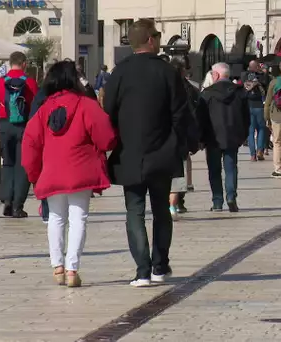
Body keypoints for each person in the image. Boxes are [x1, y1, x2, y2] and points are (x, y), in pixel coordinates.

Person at [104, 19, 188, 287]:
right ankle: (160, 267)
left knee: (134, 211)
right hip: (162, 153)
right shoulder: (167, 72)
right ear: (150, 40)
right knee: (161, 210)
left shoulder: (119, 73)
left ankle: (142, 271)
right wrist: (182, 145)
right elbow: (180, 113)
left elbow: (108, 113)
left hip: (130, 153)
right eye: (158, 35)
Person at [22, 60, 117, 288]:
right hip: (81, 171)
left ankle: (57, 267)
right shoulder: (86, 105)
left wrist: (35, 175)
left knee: (55, 218)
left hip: (51, 172)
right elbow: (107, 137)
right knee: (78, 218)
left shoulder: (43, 109)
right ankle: (72, 268)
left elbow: (30, 144)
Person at [0, 51, 39, 218]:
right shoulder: (31, 83)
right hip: (25, 127)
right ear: (24, 63)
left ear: (10, 64)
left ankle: (7, 202)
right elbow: (36, 109)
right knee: (22, 166)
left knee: (8, 164)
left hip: (4, 126)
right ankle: (18, 205)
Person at [196, 62, 249, 212]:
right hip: (233, 136)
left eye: (212, 73)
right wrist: (244, 135)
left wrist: (200, 137)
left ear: (216, 75)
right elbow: (246, 117)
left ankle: (217, 201)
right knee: (231, 168)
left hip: (212, 137)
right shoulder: (239, 92)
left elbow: (201, 117)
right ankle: (231, 197)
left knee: (214, 170)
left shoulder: (207, 94)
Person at [168, 58, 200, 219]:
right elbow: (193, 112)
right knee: (180, 166)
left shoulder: (162, 87)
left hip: (165, 136)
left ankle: (172, 202)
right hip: (182, 134)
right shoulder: (189, 88)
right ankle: (178, 201)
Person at [244, 71, 267, 161]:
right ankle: (260, 151)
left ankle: (252, 155)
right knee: (261, 129)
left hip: (249, 108)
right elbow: (264, 94)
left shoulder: (245, 85)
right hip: (259, 108)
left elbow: (243, 96)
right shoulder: (259, 85)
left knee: (250, 132)